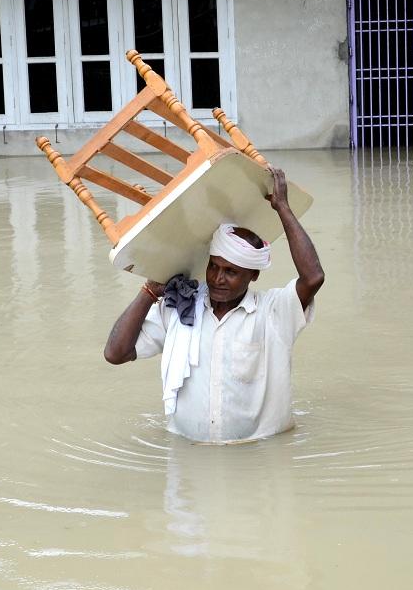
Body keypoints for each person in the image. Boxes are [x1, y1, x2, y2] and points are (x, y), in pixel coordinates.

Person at [103, 167, 324, 443]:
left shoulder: (274, 312)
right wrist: (149, 290)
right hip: (189, 458)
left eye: (231, 272)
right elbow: (115, 353)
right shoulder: (181, 307)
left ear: (253, 275)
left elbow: (313, 277)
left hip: (260, 457)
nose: (218, 278)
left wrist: (283, 209)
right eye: (214, 266)